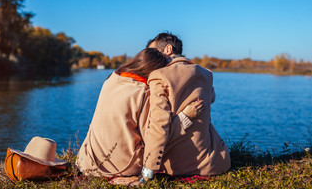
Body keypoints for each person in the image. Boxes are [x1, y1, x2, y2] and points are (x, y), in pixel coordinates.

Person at [113, 33, 230, 185]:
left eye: (154, 52)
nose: (151, 58)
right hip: (213, 162)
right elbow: (211, 98)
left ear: (168, 49)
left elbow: (159, 126)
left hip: (175, 167)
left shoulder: (158, 75)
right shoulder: (205, 74)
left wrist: (145, 176)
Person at [76, 48, 204, 177]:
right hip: (120, 168)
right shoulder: (144, 93)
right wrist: (185, 117)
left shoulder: (111, 80)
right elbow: (155, 137)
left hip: (86, 161)